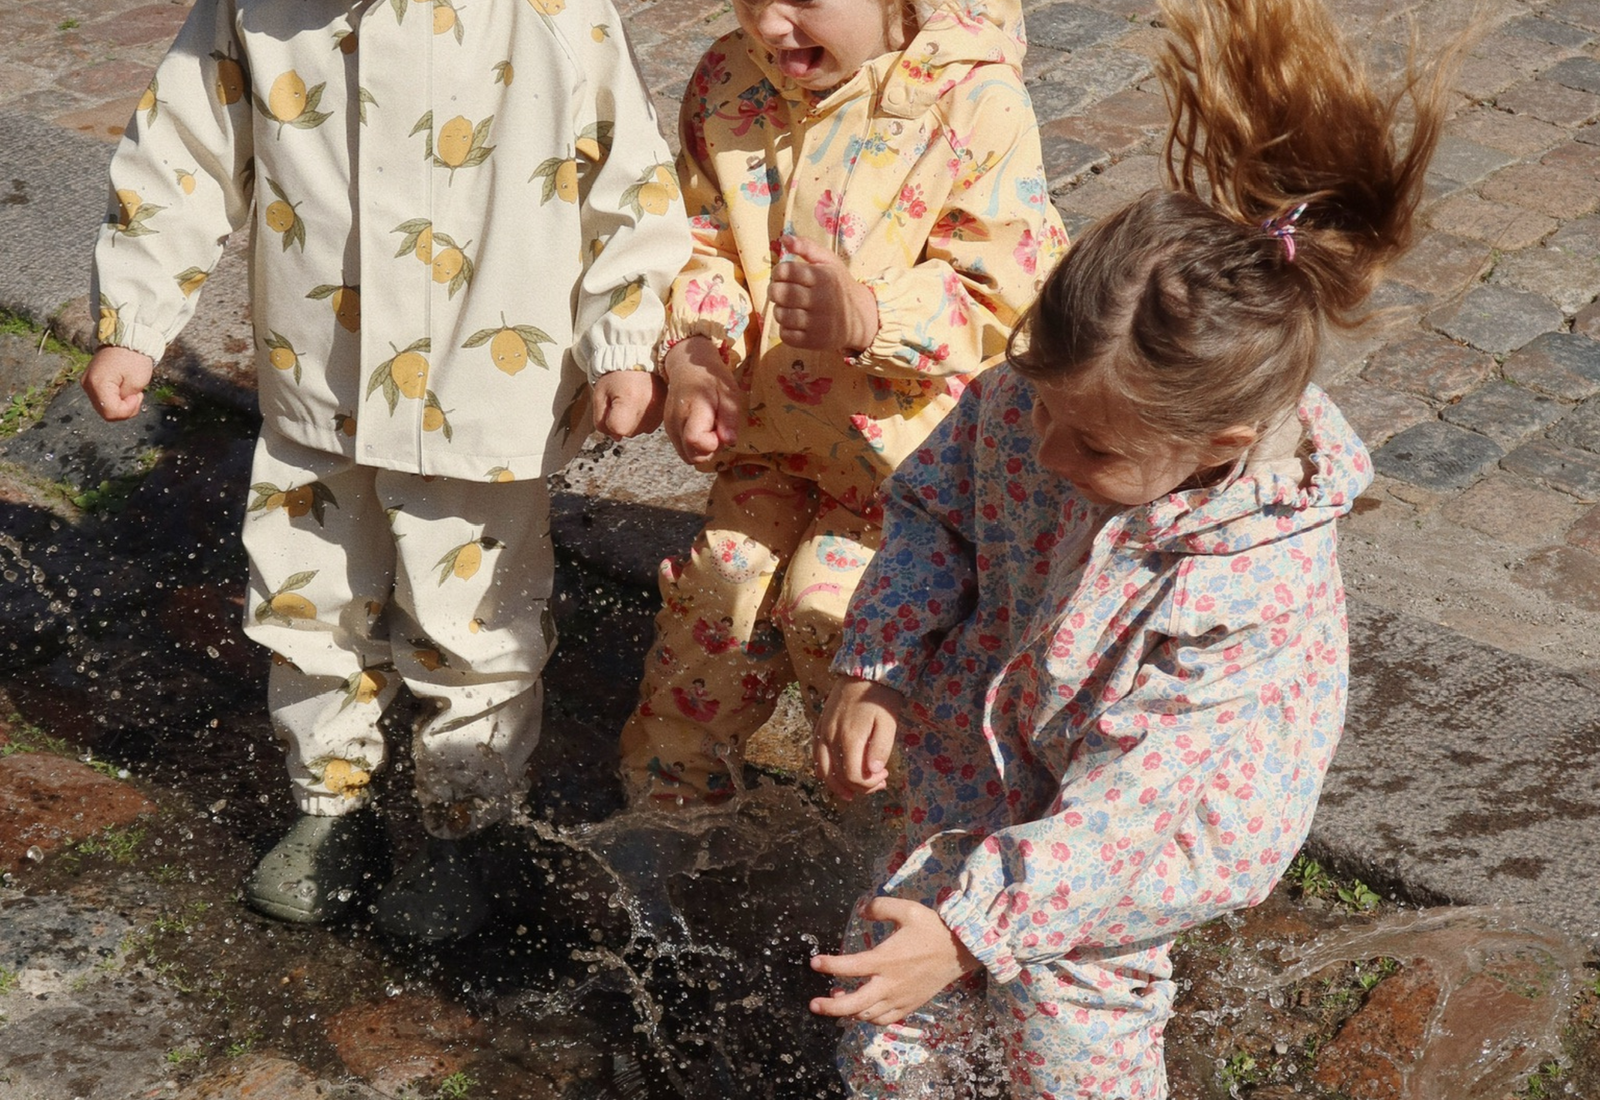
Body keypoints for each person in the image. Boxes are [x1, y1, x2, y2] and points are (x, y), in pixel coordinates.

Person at [806, 0, 1464, 1091]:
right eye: (1039, 409)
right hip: (992, 728)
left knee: (1069, 1026)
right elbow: (939, 507)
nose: (1047, 450)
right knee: (890, 1008)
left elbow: (1122, 819)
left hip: (1146, 828)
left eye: (1092, 445)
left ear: (1219, 445)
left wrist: (973, 928)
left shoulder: (1252, 587)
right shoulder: (1037, 402)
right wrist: (879, 661)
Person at [83, 0, 691, 940]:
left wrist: (623, 337)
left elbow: (628, 174)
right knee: (308, 598)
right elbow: (184, 151)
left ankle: (468, 822)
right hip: (317, 375)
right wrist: (136, 313)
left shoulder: (553, 13)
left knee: (477, 617)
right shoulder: (257, 10)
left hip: (484, 381)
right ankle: (331, 809)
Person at [615, 0, 1069, 807]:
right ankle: (668, 817)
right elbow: (705, 237)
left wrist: (870, 316)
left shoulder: (974, 100)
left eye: (807, 2)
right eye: (752, 0)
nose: (774, 26)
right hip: (774, 437)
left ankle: (892, 830)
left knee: (836, 612)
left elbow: (1009, 296)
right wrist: (697, 357)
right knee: (718, 595)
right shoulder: (729, 80)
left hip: (912, 471)